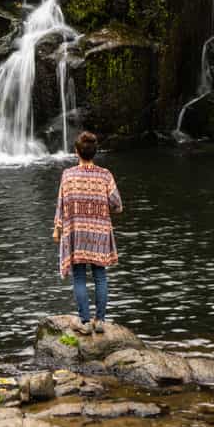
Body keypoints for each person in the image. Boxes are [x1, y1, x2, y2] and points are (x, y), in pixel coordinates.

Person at [52, 130, 123, 333]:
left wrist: (57, 229)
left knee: (79, 277)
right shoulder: (105, 175)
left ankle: (84, 323)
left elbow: (61, 205)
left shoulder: (68, 175)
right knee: (100, 275)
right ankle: (99, 322)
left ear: (76, 152)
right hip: (99, 233)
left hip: (76, 232)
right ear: (95, 152)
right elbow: (117, 205)